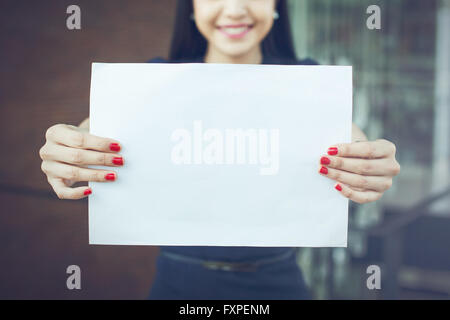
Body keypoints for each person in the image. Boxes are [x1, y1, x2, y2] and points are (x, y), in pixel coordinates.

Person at [39, 0, 400, 299]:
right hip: (176, 286)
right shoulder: (153, 81)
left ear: (277, 5)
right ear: (191, 8)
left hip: (280, 285)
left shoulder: (306, 83)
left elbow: (356, 144)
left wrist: (371, 161)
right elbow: (88, 132)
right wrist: (67, 145)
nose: (235, 8)